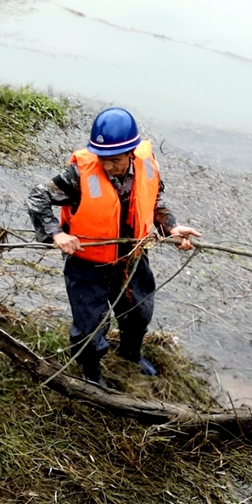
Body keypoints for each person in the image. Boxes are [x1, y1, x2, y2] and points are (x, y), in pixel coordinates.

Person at [27, 107, 201, 385]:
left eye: (115, 160)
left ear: (132, 153)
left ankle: (130, 353)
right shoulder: (78, 175)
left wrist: (171, 227)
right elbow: (37, 197)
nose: (108, 166)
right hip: (88, 262)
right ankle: (91, 372)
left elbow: (155, 201)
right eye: (103, 159)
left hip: (131, 257)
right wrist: (56, 234)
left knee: (139, 312)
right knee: (90, 325)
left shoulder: (145, 164)